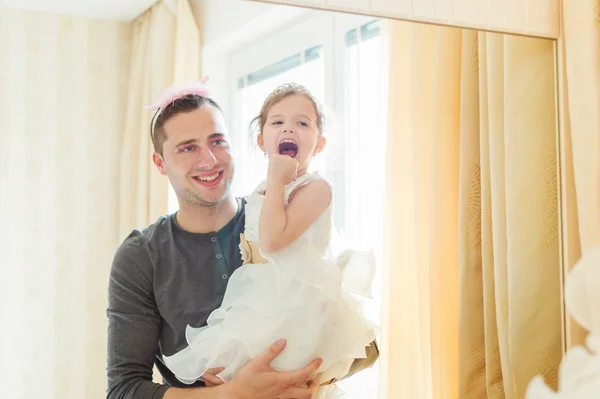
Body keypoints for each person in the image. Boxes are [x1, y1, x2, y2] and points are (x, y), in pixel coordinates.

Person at [106, 81, 378, 399]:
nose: (209, 159)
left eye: (218, 141)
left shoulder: (284, 217)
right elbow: (124, 390)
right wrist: (231, 394)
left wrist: (300, 376)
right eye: (187, 147)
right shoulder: (142, 256)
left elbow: (367, 347)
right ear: (160, 163)